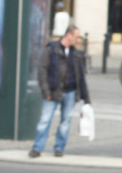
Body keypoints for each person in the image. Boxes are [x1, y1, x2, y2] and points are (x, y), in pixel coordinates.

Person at [31, 24, 89, 158]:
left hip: (70, 92)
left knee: (65, 122)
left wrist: (86, 98)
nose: (78, 40)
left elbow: (81, 76)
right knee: (44, 121)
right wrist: (46, 91)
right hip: (53, 91)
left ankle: (59, 148)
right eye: (76, 37)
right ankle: (37, 148)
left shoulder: (76, 53)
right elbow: (42, 70)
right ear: (68, 35)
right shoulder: (52, 49)